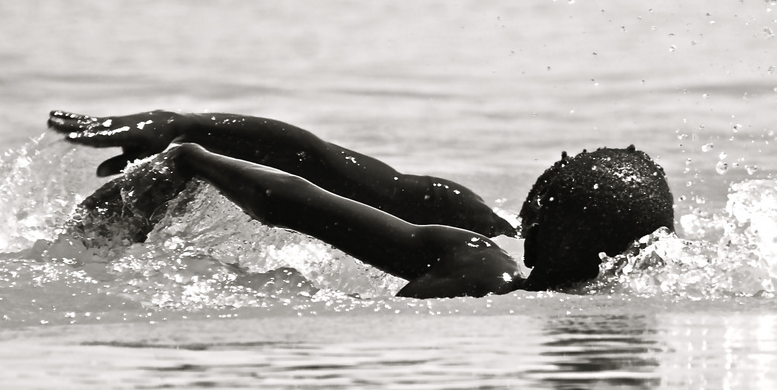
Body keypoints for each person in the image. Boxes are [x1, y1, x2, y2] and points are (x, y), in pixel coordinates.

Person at [35, 110, 674, 298]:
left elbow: (304, 198)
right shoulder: (628, 298)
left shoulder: (478, 266)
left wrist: (192, 154)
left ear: (532, 221)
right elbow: (368, 180)